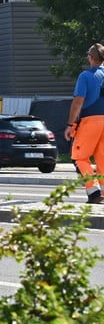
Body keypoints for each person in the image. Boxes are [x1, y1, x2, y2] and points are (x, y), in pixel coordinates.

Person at [64, 43, 104, 204]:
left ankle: (94, 192)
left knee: (79, 157)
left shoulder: (85, 76)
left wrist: (69, 124)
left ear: (90, 57)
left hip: (90, 121)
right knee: (102, 159)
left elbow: (78, 101)